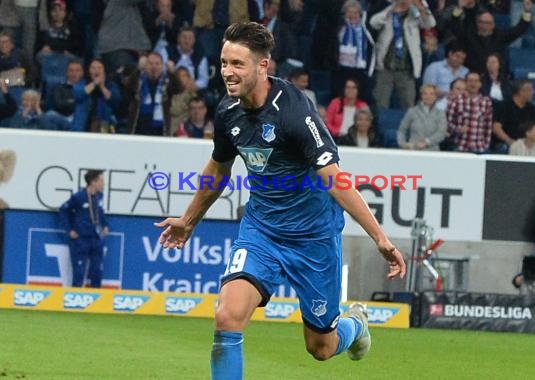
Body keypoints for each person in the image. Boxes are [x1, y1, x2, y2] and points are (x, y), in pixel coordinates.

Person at [154, 22, 406, 380]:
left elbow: (334, 178)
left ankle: (353, 328)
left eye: (237, 64)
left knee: (321, 348)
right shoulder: (228, 112)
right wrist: (188, 220)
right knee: (227, 316)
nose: (227, 72)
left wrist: (380, 238)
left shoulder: (295, 113)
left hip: (313, 237)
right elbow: (219, 168)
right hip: (262, 231)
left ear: (262, 66)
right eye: (224, 62)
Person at [59, 169, 109, 288]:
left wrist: (105, 225)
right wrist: (69, 230)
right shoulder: (79, 197)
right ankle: (75, 303)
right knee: (79, 273)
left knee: (97, 272)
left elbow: (100, 212)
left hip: (96, 239)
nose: (104, 184)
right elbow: (63, 210)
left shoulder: (99, 196)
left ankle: (96, 302)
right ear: (93, 182)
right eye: (101, 181)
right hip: (81, 240)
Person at [398, 84, 447, 151]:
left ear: (436, 96)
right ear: (421, 96)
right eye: (425, 94)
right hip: (413, 150)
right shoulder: (412, 111)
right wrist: (403, 144)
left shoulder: (440, 114)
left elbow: (441, 133)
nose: (428, 96)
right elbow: (401, 130)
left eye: (432, 94)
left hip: (433, 151)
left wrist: (427, 142)